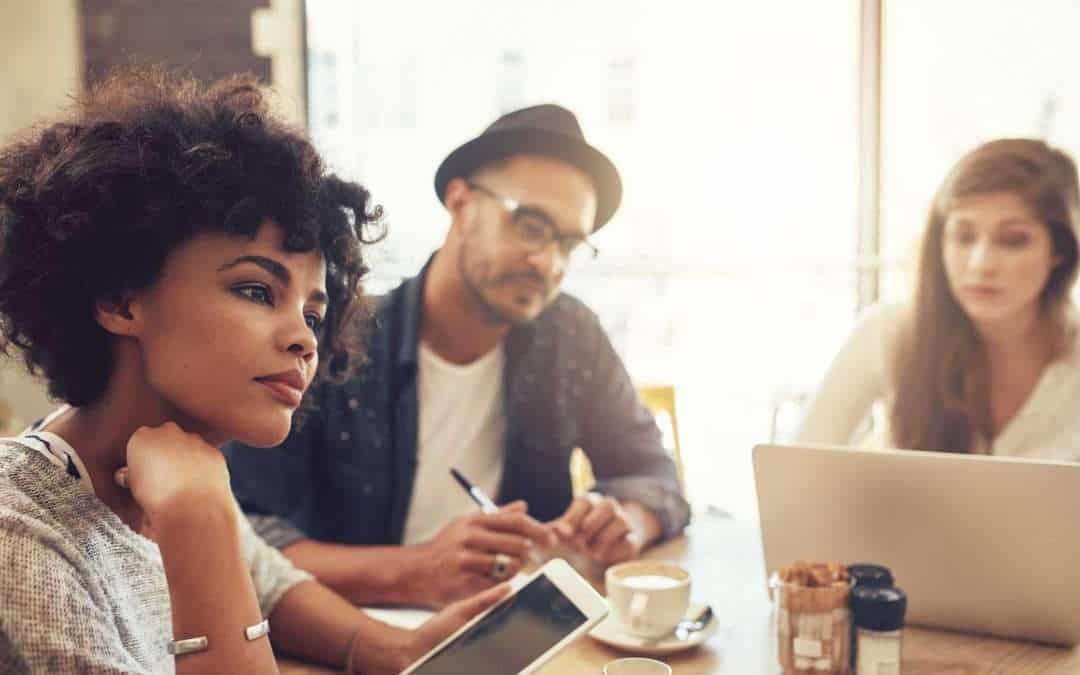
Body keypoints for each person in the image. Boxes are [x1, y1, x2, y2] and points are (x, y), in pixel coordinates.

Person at [0, 67, 508, 675]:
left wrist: (395, 648)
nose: (303, 339)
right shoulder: (20, 541)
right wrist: (200, 530)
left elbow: (271, 583)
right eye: (255, 290)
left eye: (314, 315)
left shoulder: (175, 461)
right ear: (119, 297)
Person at [224, 104, 691, 609]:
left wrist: (626, 522)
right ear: (461, 203)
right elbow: (243, 531)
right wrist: (412, 573)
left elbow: (655, 476)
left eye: (569, 243)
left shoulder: (569, 335)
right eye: (530, 225)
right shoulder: (335, 337)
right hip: (351, 639)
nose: (548, 262)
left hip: (519, 636)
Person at [796, 138, 1080, 458]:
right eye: (963, 236)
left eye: (1013, 240)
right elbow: (794, 469)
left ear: (1059, 251)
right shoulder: (888, 331)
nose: (981, 264)